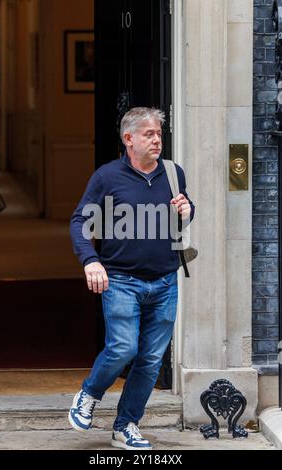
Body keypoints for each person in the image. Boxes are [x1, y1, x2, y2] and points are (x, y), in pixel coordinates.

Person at [69, 107, 195, 450]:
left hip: (166, 281)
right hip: (121, 280)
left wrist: (187, 210)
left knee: (151, 359)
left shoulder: (173, 173)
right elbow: (80, 223)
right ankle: (89, 393)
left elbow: (183, 211)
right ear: (129, 139)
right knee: (124, 347)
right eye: (149, 134)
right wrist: (90, 261)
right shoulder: (107, 178)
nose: (157, 140)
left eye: (159, 134)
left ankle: (125, 426)